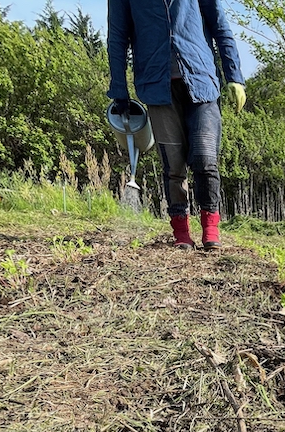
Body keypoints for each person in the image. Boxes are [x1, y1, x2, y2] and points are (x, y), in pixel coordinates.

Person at [107, 0, 246, 250]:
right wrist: (119, 89)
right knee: (173, 165)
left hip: (202, 80)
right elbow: (117, 36)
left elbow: (219, 25)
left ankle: (210, 227)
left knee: (205, 159)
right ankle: (181, 232)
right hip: (157, 86)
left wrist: (234, 75)